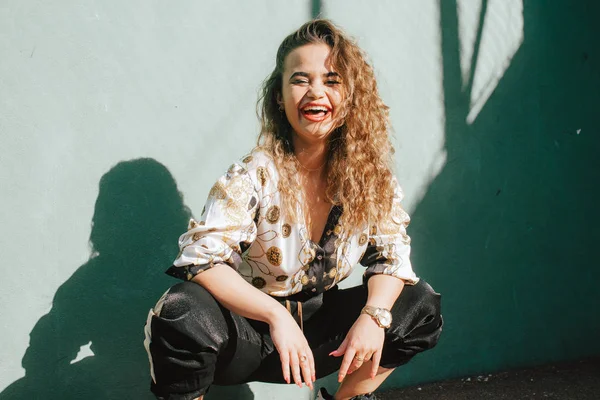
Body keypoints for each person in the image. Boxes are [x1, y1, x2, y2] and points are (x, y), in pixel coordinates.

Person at [144, 19, 443, 400]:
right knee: (180, 311)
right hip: (250, 337)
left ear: (351, 96)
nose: (315, 92)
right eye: (300, 80)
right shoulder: (253, 175)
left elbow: (392, 257)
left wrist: (374, 316)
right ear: (279, 96)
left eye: (332, 80)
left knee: (418, 305)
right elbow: (202, 260)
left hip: (322, 339)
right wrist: (275, 316)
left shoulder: (372, 179)